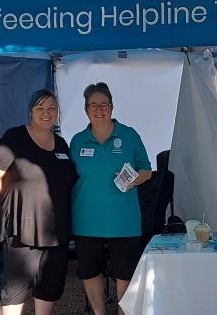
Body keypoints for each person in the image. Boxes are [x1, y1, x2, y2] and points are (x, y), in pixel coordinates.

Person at [0, 89, 78, 315]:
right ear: (30, 111)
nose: (46, 113)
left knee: (49, 286)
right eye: (40, 108)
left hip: (56, 231)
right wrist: (9, 203)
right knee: (16, 289)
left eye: (51, 108)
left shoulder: (62, 144)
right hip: (21, 229)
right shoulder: (15, 138)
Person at [70, 82, 152, 315]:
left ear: (112, 107)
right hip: (86, 219)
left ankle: (122, 312)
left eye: (103, 105)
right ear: (86, 110)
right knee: (89, 271)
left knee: (124, 272)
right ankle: (99, 312)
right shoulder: (77, 141)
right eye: (93, 105)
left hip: (123, 221)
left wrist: (133, 179)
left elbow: (147, 170)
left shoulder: (129, 135)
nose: (99, 110)